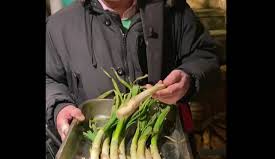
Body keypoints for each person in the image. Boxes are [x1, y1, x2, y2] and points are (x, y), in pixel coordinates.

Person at [46, 0, 220, 141]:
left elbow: (206, 55)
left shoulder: (174, 10)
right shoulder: (59, 26)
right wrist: (59, 106)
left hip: (164, 144)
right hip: (93, 149)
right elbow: (49, 79)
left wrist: (188, 77)